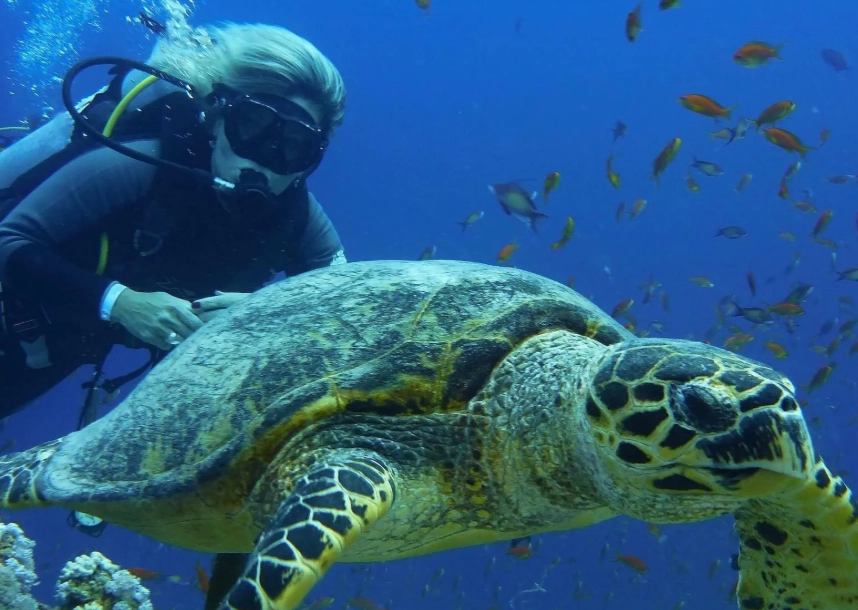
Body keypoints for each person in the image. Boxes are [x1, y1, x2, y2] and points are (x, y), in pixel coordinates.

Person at [0, 23, 348, 428]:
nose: (262, 160)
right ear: (218, 119)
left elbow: (341, 308)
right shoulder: (142, 165)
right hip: (39, 317)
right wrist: (121, 302)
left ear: (311, 159)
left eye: (293, 145)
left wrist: (264, 315)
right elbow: (8, 238)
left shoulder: (301, 221)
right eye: (251, 126)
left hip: (93, 340)